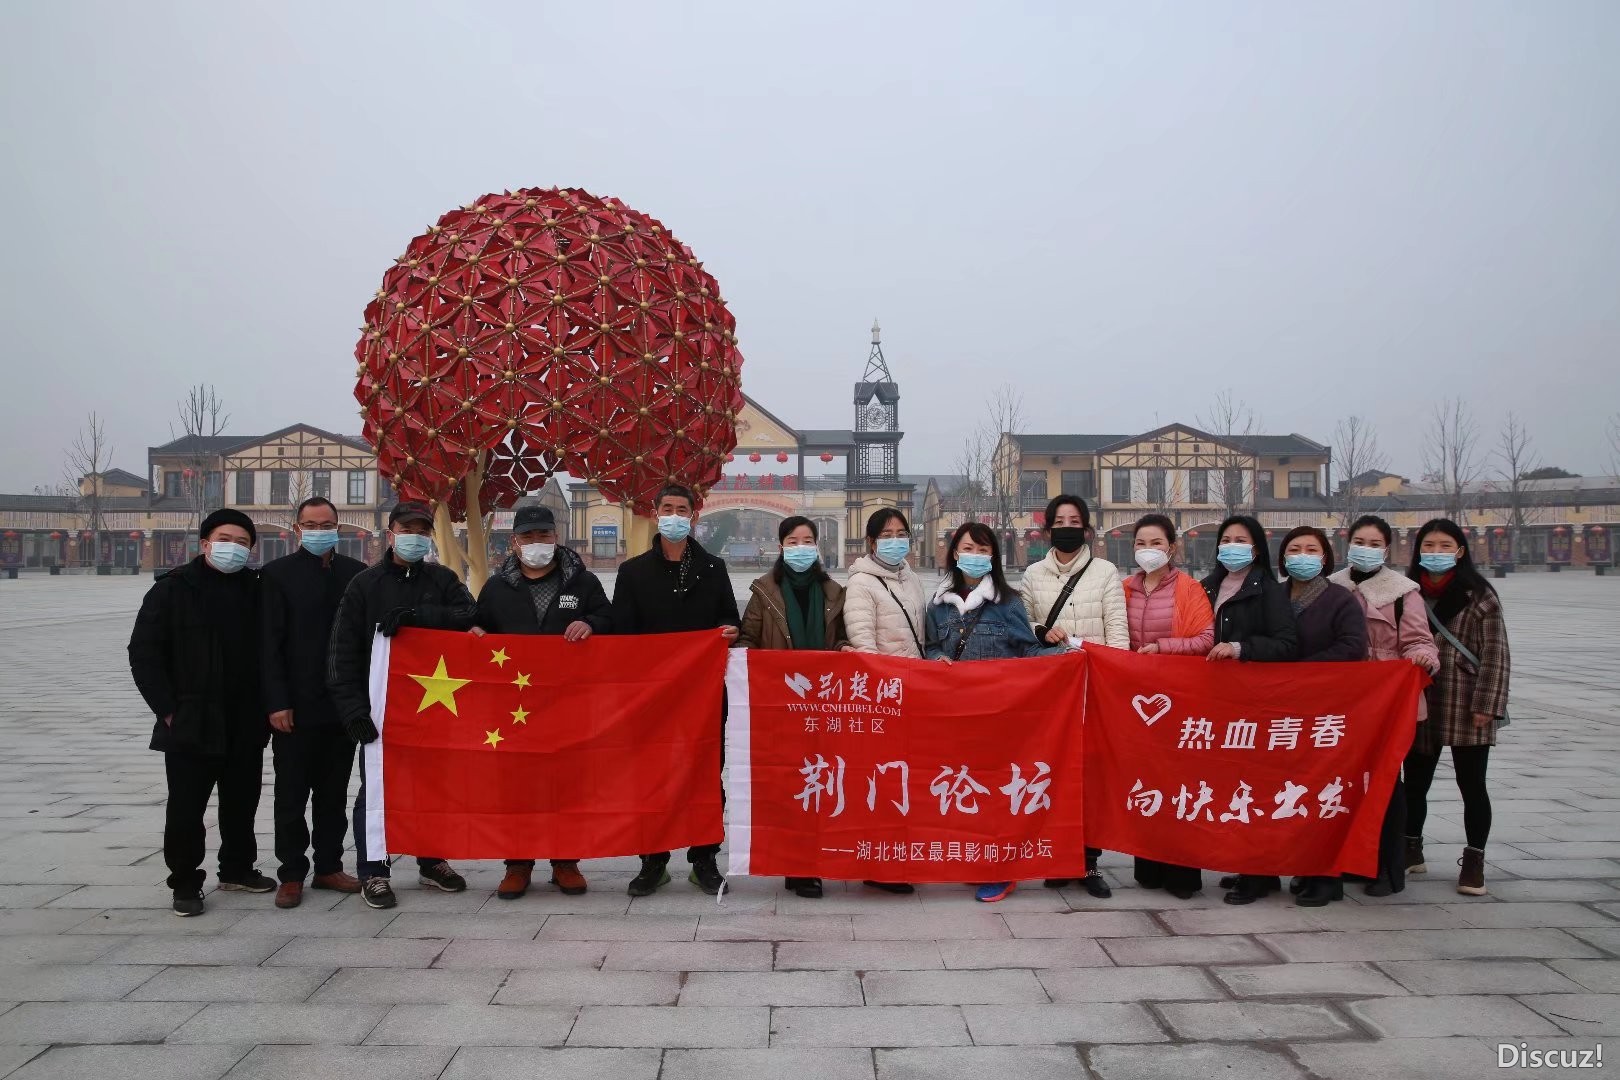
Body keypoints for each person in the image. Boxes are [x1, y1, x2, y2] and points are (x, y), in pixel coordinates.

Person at [327, 500, 478, 910]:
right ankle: (373, 869)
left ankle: (431, 860)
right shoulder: (364, 584)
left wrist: (418, 616)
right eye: (407, 529)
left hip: (435, 706)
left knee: (433, 787)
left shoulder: (443, 579)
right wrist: (353, 710)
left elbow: (469, 614)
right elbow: (341, 650)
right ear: (390, 533)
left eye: (422, 531)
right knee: (376, 790)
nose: (415, 537)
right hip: (381, 709)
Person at [129, 509, 275, 917]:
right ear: (206, 543)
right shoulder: (173, 589)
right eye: (225, 539)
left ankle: (237, 869)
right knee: (186, 807)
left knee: (241, 801)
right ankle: (185, 882)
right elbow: (143, 653)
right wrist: (167, 710)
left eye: (243, 542)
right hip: (191, 718)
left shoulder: (257, 589)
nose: (234, 548)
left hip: (245, 718)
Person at [474, 504, 613, 900]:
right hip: (514, 706)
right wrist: (474, 633)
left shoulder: (582, 582)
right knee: (517, 785)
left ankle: (565, 861)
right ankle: (517, 863)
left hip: (568, 702)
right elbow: (478, 625)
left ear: (556, 537)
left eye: (544, 535)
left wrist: (591, 623)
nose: (537, 542)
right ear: (515, 542)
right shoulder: (497, 587)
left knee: (566, 783)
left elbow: (611, 619)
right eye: (528, 536)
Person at [610, 484, 741, 897]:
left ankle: (704, 859)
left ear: (693, 516)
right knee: (652, 776)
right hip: (651, 697)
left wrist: (729, 630)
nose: (674, 516)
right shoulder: (633, 572)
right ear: (655, 513)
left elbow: (730, 619)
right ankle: (653, 860)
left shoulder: (713, 568)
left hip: (703, 695)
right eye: (667, 508)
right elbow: (621, 634)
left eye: (681, 509)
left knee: (705, 774)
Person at [926, 522, 1065, 904]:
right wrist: (935, 659)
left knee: (998, 795)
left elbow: (1027, 650)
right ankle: (977, 859)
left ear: (994, 557)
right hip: (955, 715)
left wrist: (1065, 656)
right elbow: (930, 646)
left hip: (1000, 715)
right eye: (968, 548)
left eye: (984, 549)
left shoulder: (1008, 602)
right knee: (966, 791)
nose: (975, 555)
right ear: (955, 553)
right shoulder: (937, 604)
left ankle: (1002, 870)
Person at [1019, 494, 1128, 897]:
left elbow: (1117, 630)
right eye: (1060, 521)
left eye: (1075, 521)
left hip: (1095, 687)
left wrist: (1116, 677)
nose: (1067, 527)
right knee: (1055, 773)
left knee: (1090, 778)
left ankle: (1089, 861)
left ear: (1086, 529)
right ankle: (1059, 856)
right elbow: (1023, 622)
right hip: (1054, 693)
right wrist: (1040, 630)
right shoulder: (1033, 574)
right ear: (1048, 529)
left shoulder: (1105, 571)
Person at [260, 497, 366, 910]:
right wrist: (277, 702)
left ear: (338, 527)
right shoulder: (276, 575)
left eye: (327, 524)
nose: (319, 531)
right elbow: (268, 645)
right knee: (290, 795)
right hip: (295, 708)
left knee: (333, 794)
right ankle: (291, 873)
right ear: (297, 528)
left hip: (341, 706)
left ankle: (329, 866)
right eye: (311, 524)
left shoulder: (356, 575)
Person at [737, 516, 850, 899]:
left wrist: (843, 649)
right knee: (790, 784)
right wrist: (746, 658)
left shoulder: (834, 592)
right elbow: (748, 639)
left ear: (817, 545)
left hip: (825, 706)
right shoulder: (764, 591)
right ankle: (796, 864)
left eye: (807, 541)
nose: (800, 547)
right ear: (781, 546)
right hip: (781, 706)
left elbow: (841, 638)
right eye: (792, 541)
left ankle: (817, 859)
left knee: (824, 782)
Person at [1329, 514, 1439, 898]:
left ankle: (1388, 868)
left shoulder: (1403, 592)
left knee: (1386, 784)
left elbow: (1420, 641)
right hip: (1343, 702)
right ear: (1348, 543)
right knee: (1345, 784)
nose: (1366, 549)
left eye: (1374, 544)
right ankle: (1351, 859)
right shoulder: (1333, 587)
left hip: (1386, 701)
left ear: (1386, 549)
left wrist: (1423, 657)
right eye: (1360, 541)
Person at [1404, 518, 1510, 897]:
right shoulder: (1408, 592)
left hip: (1466, 701)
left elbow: (1496, 654)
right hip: (1421, 700)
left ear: (1460, 551)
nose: (1436, 553)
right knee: (1415, 782)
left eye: (1445, 546)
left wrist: (1488, 705)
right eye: (1429, 546)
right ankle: (1411, 847)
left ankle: (1475, 859)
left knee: (1472, 784)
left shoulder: (1480, 595)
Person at [1202, 514, 1298, 906]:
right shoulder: (1207, 587)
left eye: (1241, 540)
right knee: (1230, 788)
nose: (1232, 546)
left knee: (1254, 789)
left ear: (1256, 549)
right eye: (1226, 539)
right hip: (1217, 704)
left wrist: (1240, 649)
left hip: (1255, 705)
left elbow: (1287, 644)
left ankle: (1258, 871)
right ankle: (1251, 866)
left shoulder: (1268, 591)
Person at [1272, 525, 1368, 907]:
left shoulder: (1340, 599)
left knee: (1321, 794)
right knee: (1288, 794)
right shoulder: (1274, 596)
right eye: (1294, 549)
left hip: (1326, 710)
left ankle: (1325, 877)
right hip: (1283, 712)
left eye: (1311, 549)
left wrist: (1305, 672)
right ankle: (1294, 866)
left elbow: (1353, 647)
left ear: (1325, 557)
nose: (1302, 556)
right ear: (1283, 557)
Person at [1120, 514, 1214, 900]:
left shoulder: (1189, 589)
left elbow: (1206, 639)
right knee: (1145, 781)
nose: (1148, 550)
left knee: (1180, 784)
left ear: (1172, 547)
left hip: (1179, 699)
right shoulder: (1124, 588)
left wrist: (1162, 648)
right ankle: (1148, 865)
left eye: (1156, 543)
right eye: (1141, 543)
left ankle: (1183, 872)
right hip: (1137, 702)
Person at [843, 507, 927, 895]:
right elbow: (864, 646)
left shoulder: (912, 578)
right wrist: (886, 693)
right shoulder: (861, 584)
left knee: (908, 782)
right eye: (887, 535)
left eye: (901, 533)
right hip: (885, 698)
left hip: (915, 694)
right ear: (872, 542)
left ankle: (901, 856)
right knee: (884, 782)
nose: (896, 541)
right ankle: (878, 865)